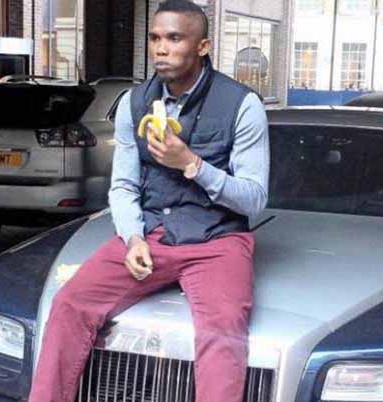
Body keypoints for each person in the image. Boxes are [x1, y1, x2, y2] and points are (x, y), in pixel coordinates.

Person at [28, 0, 269, 401]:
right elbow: (123, 186)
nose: (161, 48)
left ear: (203, 46)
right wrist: (133, 237)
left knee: (223, 330)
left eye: (174, 38)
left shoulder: (243, 105)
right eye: (155, 38)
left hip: (218, 241)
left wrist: (191, 163)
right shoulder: (133, 103)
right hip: (152, 234)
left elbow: (254, 200)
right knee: (69, 302)